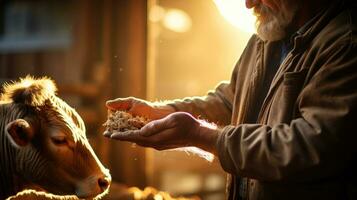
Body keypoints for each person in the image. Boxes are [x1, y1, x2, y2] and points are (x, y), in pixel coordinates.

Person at [104, 0, 357, 199]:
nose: (248, 3)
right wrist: (161, 111)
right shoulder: (269, 32)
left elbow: (310, 147)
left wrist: (203, 136)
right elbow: (231, 100)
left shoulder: (345, 43)